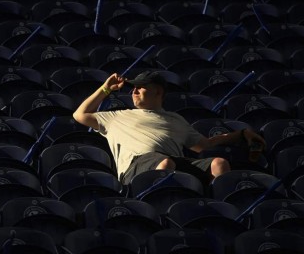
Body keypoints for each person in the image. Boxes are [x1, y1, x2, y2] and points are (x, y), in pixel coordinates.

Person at [72, 70, 266, 185]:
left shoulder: (175, 119)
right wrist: (105, 89)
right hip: (137, 168)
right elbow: (80, 115)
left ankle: (218, 210)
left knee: (219, 164)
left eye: (141, 87)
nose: (134, 91)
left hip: (175, 163)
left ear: (158, 92)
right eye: (133, 87)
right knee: (165, 163)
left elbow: (204, 145)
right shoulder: (118, 116)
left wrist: (240, 134)